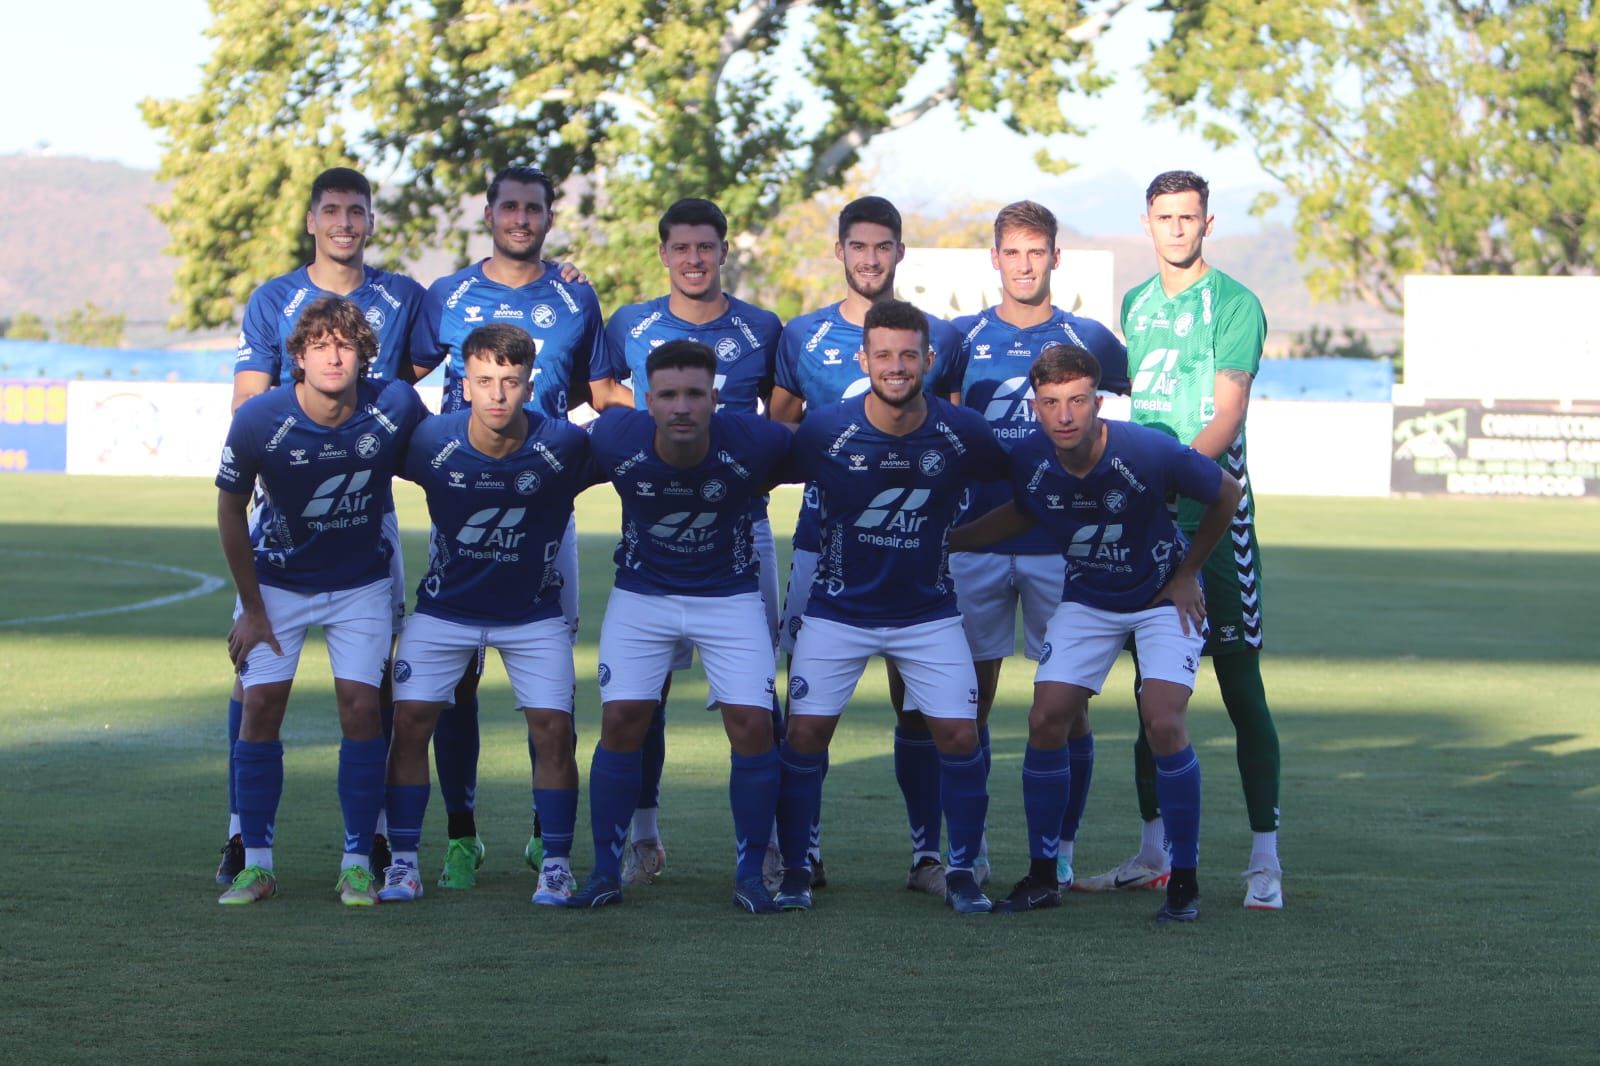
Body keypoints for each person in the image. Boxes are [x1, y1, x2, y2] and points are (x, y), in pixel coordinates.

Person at [950, 344, 1242, 922]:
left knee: (1163, 720)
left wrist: (1187, 574)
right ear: (1035, 406)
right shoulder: (1030, 459)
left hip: (1161, 596)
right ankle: (1042, 874)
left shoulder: (1146, 450)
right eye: (1052, 402)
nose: (1065, 415)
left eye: (1077, 401)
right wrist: (953, 539)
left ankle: (1183, 879)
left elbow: (1226, 492)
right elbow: (1026, 511)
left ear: (1098, 403)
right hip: (1087, 597)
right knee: (1045, 717)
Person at [1075, 170, 1285, 912]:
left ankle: (1265, 860)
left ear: (1207, 223)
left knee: (1238, 687)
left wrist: (1174, 477)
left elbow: (1228, 411)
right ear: (1147, 222)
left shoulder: (1235, 305)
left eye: (1187, 217)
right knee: (1152, 689)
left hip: (1214, 520)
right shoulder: (1136, 304)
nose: (1175, 228)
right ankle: (1154, 853)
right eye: (1163, 217)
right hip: (1146, 521)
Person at [213, 166, 425, 886]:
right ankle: (247, 843)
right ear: (311, 220)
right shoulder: (275, 306)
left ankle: (368, 847)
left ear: (370, 220)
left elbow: (427, 415)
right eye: (330, 211)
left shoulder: (402, 300)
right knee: (257, 691)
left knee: (370, 698)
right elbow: (241, 443)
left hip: (369, 536)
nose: (343, 222)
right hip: (282, 547)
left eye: (355, 211)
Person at [773, 299, 1007, 915]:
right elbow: (757, 471)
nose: (896, 366)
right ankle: (797, 866)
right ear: (864, 359)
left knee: (959, 733)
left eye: (909, 355)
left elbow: (1022, 488)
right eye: (883, 355)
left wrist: (965, 538)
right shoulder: (825, 428)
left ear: (929, 360)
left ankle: (957, 869)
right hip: (838, 612)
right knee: (805, 734)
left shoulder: (963, 431)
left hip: (928, 614)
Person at [408, 164, 603, 890]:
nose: (522, 217)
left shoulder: (576, 295)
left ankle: (540, 834)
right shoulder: (447, 294)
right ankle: (462, 834)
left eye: (534, 208)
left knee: (548, 689)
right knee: (454, 679)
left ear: (550, 217)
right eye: (510, 206)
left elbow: (600, 389)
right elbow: (403, 376)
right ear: (488, 213)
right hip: (464, 507)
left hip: (546, 510)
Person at [587, 198, 784, 887]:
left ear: (724, 252)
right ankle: (643, 839)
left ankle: (768, 849)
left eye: (707, 248)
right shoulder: (630, 323)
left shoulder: (762, 325)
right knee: (643, 699)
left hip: (741, 532)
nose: (695, 260)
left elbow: (780, 418)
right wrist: (651, 438)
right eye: (682, 249)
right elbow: (602, 389)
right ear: (664, 254)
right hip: (656, 523)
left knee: (755, 703)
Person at [769, 196, 961, 896]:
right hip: (827, 549)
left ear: (900, 252)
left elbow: (957, 434)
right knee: (812, 710)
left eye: (883, 246)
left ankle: (927, 856)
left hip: (916, 553)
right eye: (858, 246)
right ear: (841, 251)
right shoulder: (802, 337)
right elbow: (781, 436)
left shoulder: (937, 337)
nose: (871, 258)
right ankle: (804, 852)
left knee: (919, 705)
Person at [566, 340, 795, 912]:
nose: (682, 407)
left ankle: (750, 871)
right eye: (668, 395)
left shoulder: (758, 440)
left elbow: (830, 466)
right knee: (621, 720)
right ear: (648, 401)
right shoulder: (615, 437)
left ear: (716, 399)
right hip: (643, 594)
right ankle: (604, 871)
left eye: (695, 394)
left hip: (729, 594)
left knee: (753, 725)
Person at [377, 325, 595, 905]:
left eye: (510, 381)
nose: (497, 394)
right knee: (409, 724)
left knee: (554, 732)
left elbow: (640, 454)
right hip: (445, 609)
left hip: (532, 615)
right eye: (484, 381)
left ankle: (554, 862)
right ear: (464, 384)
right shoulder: (429, 442)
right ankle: (401, 861)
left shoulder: (565, 447)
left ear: (530, 384)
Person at [946, 200, 1129, 889]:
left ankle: (1060, 845)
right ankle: (972, 845)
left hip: (1065, 549)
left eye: (1037, 252)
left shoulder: (1090, 339)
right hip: (982, 541)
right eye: (1012, 253)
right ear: (994, 260)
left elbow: (1127, 421)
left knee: (1066, 705)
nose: (1025, 265)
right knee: (971, 701)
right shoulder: (961, 338)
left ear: (1056, 258)